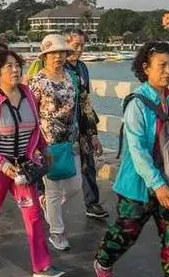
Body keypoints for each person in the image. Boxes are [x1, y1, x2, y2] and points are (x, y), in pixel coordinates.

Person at [94, 42, 169, 277]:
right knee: (127, 231)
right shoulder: (136, 103)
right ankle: (103, 261)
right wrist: (157, 184)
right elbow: (137, 150)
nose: (168, 71)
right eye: (162, 65)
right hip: (139, 182)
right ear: (146, 67)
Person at [0, 48, 65, 277]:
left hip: (24, 168)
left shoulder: (27, 95)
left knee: (33, 215)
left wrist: (44, 148)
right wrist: (2, 164)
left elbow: (35, 125)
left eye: (17, 65)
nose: (15, 70)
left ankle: (41, 266)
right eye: (9, 66)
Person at [29, 34, 82, 252]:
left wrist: (89, 135)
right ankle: (57, 232)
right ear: (45, 56)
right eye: (52, 53)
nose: (58, 57)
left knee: (75, 186)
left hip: (70, 141)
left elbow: (82, 105)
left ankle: (50, 209)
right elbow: (31, 112)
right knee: (53, 189)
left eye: (61, 52)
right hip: (47, 142)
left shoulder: (73, 77)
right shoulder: (37, 81)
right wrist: (33, 144)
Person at [64, 29, 108, 219]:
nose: (80, 49)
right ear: (66, 44)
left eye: (82, 45)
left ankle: (92, 203)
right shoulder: (58, 67)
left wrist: (93, 133)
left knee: (88, 162)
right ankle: (44, 196)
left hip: (82, 123)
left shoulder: (82, 68)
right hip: (62, 125)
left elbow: (85, 100)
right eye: (76, 45)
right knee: (56, 164)